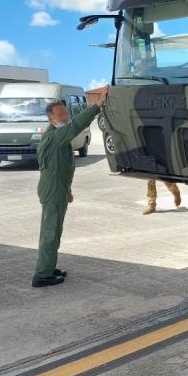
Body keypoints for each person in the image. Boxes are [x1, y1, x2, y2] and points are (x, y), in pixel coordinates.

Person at [32, 88, 108, 288]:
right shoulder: (55, 137)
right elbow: (77, 125)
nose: (66, 117)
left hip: (57, 188)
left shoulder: (58, 135)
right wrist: (97, 106)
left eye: (66, 113)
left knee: (54, 230)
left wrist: (68, 191)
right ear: (51, 119)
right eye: (61, 115)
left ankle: (48, 267)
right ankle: (42, 275)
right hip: (52, 190)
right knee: (51, 231)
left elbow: (62, 168)